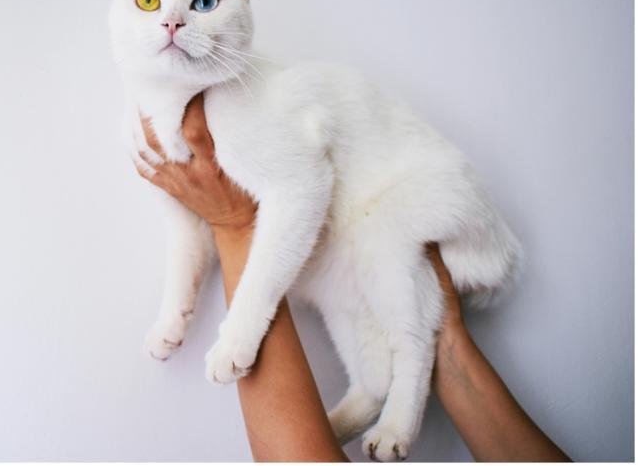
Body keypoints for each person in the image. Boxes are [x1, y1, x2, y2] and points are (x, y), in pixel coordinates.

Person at [133, 93, 571, 462]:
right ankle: (367, 397)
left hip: (408, 188)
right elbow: (190, 221)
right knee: (337, 283)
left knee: (384, 256)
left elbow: (298, 184)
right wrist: (174, 312)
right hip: (353, 223)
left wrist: (234, 228)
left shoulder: (249, 107)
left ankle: (402, 403)